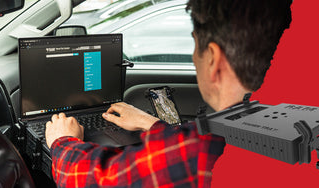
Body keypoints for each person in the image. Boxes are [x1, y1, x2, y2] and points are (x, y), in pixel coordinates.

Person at [45, 0, 292, 187]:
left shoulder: (206, 151)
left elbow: (100, 179)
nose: (195, 59)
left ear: (213, 60)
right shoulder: (290, 125)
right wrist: (150, 123)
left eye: (195, 45)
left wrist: (62, 141)